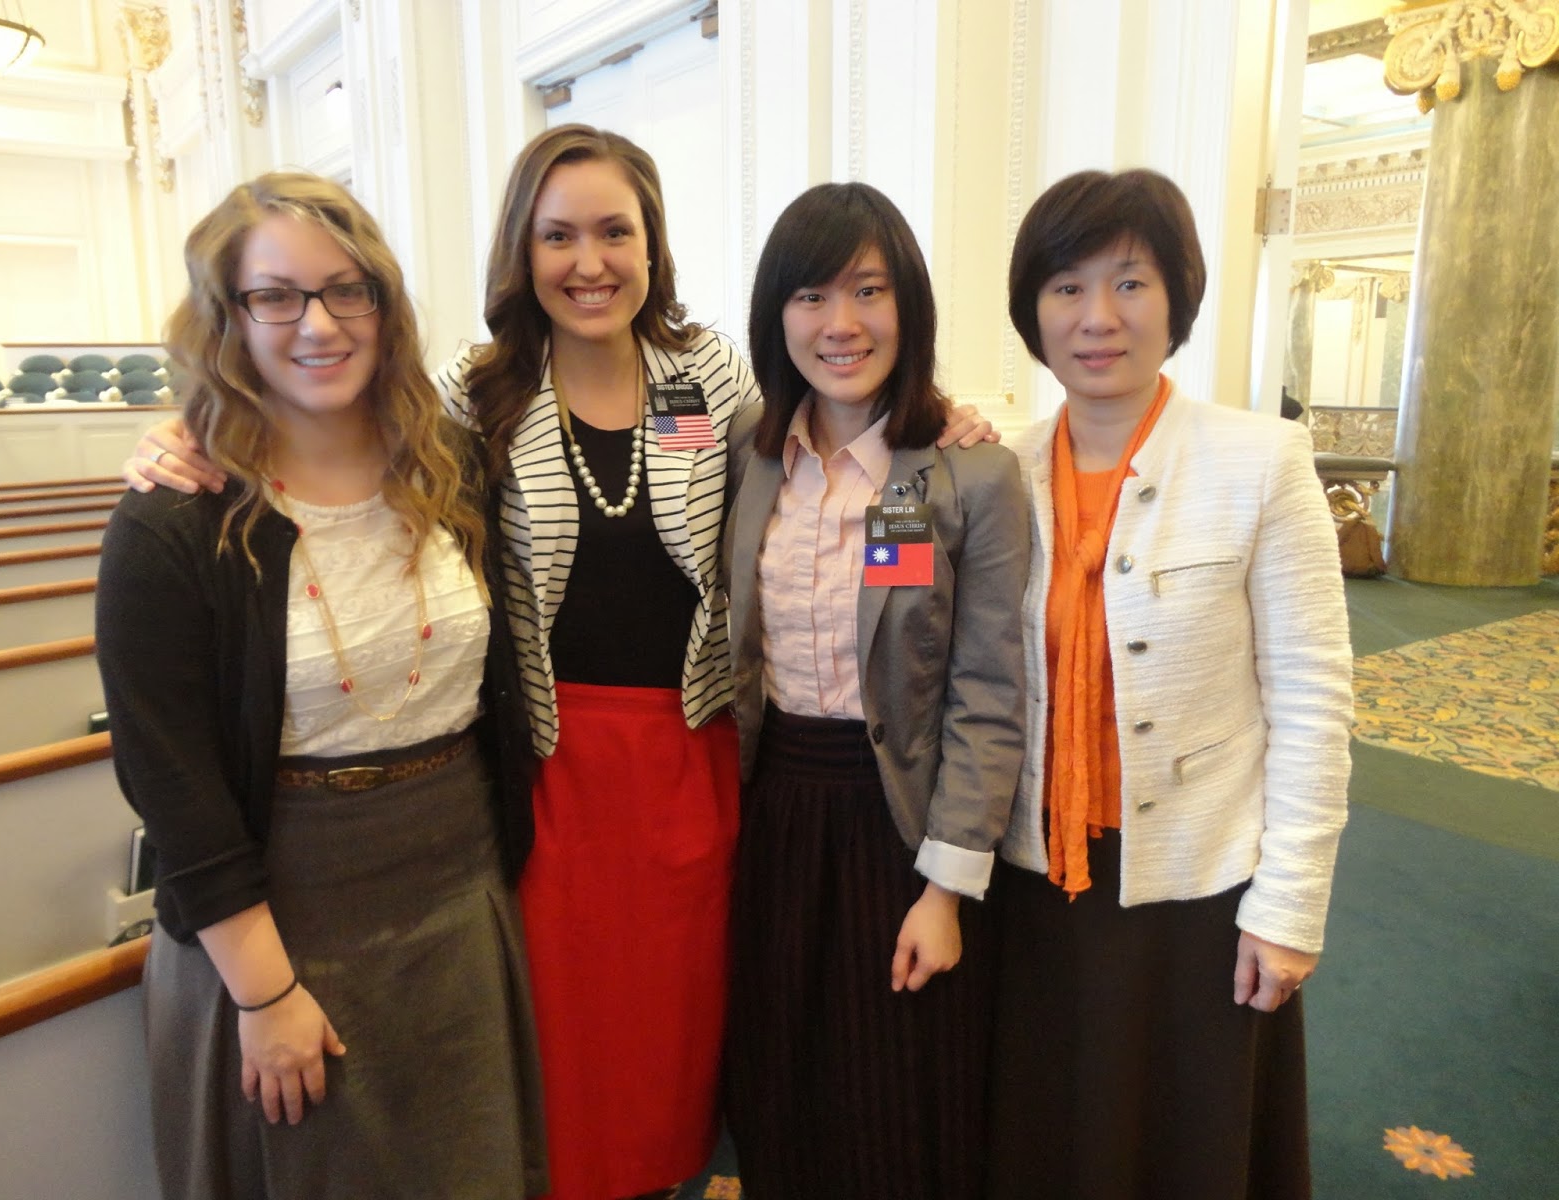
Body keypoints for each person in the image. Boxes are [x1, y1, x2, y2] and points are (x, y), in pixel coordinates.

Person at [123, 127, 994, 1200]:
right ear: (521, 250)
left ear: (651, 242)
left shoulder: (705, 377)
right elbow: (337, 432)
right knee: (565, 1048)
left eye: (614, 231)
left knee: (680, 1034)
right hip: (545, 769)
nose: (590, 262)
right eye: (559, 235)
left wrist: (932, 420)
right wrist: (185, 431)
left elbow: (822, 427)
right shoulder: (474, 393)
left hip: (691, 755)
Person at [94, 172, 546, 1200]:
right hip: (279, 921)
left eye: (348, 290)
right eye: (277, 296)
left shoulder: (446, 465)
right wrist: (264, 995)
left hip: (452, 893)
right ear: (227, 315)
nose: (319, 324)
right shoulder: (175, 521)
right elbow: (171, 782)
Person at [988, 168, 1353, 1199]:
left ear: (1176, 299)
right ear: (1032, 310)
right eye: (1066, 287)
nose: (1096, 317)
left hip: (1197, 885)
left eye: (1130, 283)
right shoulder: (999, 471)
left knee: (1181, 1141)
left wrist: (1290, 904)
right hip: (1033, 882)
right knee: (1046, 1128)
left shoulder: (1261, 461)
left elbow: (1313, 696)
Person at [722, 181, 1029, 1200]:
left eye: (867, 290)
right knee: (781, 1079)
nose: (840, 323)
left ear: (909, 304)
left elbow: (988, 693)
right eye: (810, 295)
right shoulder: (750, 452)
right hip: (774, 812)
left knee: (895, 1095)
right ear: (777, 314)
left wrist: (945, 889)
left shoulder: (963, 473)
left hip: (899, 820)